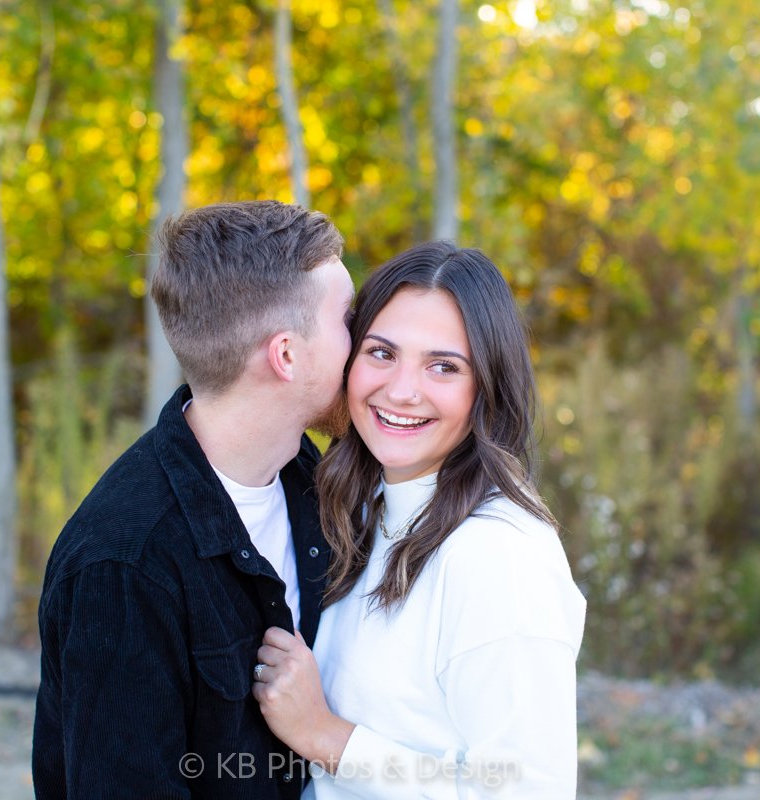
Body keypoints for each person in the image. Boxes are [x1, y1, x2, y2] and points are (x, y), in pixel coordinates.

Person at [32, 201, 356, 799]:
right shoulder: (124, 565)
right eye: (347, 320)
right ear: (285, 355)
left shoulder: (314, 483)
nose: (364, 345)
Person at [251, 242, 586, 798]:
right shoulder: (356, 507)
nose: (402, 390)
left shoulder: (500, 556)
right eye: (382, 353)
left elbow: (525, 789)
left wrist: (326, 736)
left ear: (488, 386)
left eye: (443, 366)